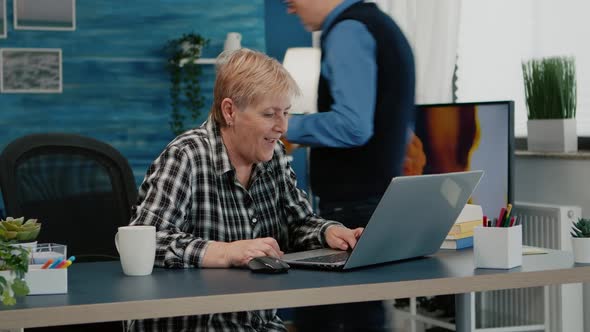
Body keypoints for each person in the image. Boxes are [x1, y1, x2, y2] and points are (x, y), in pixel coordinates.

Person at [128, 48, 363, 332]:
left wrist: (329, 232)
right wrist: (226, 252)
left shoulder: (273, 154)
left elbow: (298, 222)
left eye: (286, 113)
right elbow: (147, 243)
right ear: (230, 111)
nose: (282, 127)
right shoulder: (186, 156)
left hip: (258, 324)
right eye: (269, 114)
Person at [284, 0, 416, 330]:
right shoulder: (381, 25)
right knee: (363, 316)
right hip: (374, 199)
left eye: (292, 1)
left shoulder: (348, 31)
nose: (290, 9)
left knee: (332, 319)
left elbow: (354, 126)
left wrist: (286, 126)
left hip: (351, 210)